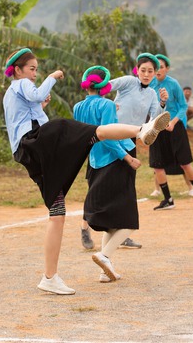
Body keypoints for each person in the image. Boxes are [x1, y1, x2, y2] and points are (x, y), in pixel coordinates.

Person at [2, 48, 169, 295]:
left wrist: (41, 108)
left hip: (32, 153)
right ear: (17, 70)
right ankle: (141, 130)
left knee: (57, 212)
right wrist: (53, 76)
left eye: (36, 70)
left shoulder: (21, 94)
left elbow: (37, 114)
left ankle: (49, 277)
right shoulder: (19, 85)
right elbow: (38, 96)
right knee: (94, 131)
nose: (35, 74)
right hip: (33, 143)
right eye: (32, 69)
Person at [74, 65, 141, 283]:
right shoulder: (108, 104)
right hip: (115, 162)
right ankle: (104, 255)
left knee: (109, 220)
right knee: (129, 221)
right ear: (105, 85)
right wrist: (128, 158)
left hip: (94, 164)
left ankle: (105, 270)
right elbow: (110, 137)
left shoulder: (78, 107)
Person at [150, 54, 193, 210]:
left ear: (167, 69)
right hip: (157, 127)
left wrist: (173, 122)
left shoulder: (173, 84)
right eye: (156, 67)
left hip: (175, 126)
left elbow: (183, 106)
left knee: (184, 163)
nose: (158, 70)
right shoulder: (149, 84)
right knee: (157, 165)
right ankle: (168, 199)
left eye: (161, 67)